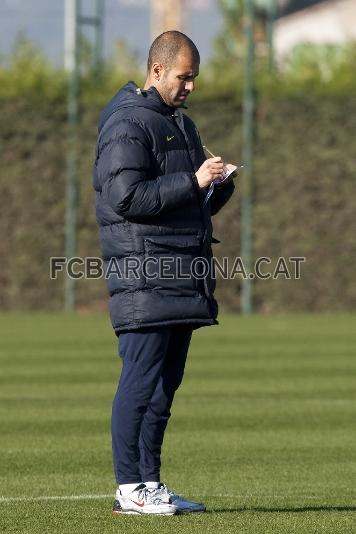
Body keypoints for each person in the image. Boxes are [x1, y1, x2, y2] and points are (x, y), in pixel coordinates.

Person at [93, 30, 235, 515]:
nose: (191, 86)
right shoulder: (127, 124)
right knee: (139, 380)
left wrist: (217, 184)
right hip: (144, 275)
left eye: (195, 77)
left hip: (179, 275)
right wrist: (192, 180)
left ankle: (150, 483)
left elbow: (190, 198)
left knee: (164, 386)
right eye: (184, 76)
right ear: (157, 71)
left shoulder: (180, 124)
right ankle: (128, 487)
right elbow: (127, 198)